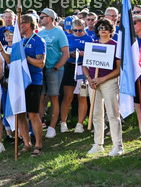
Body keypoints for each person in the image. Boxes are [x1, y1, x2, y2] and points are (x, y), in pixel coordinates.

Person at [84, 18, 122, 157]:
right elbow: (85, 65)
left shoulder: (115, 45)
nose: (103, 29)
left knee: (113, 113)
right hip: (93, 83)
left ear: (111, 30)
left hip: (109, 82)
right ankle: (98, 144)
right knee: (96, 114)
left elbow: (119, 69)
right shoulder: (92, 44)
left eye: (106, 27)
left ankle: (118, 145)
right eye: (100, 27)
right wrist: (90, 79)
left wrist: (103, 79)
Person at [18, 14, 47, 155]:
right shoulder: (20, 41)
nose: (19, 26)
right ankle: (26, 143)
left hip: (34, 81)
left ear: (28, 24)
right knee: (20, 114)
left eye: (21, 23)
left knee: (33, 114)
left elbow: (41, 63)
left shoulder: (38, 41)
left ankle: (38, 145)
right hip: (20, 82)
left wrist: (26, 58)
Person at [39, 8, 69, 138]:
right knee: (40, 97)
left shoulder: (59, 32)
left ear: (50, 18)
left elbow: (66, 53)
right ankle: (39, 124)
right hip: (42, 69)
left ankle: (52, 127)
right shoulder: (40, 33)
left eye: (42, 17)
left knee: (54, 97)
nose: (40, 19)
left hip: (54, 70)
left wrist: (56, 67)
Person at [63, 17, 91, 133]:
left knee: (82, 97)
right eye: (75, 30)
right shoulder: (67, 38)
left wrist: (85, 54)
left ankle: (80, 123)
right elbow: (63, 53)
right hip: (70, 67)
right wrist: (70, 54)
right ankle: (63, 122)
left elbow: (92, 54)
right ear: (71, 30)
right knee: (68, 97)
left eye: (80, 30)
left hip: (83, 67)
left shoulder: (88, 39)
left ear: (84, 29)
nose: (78, 33)